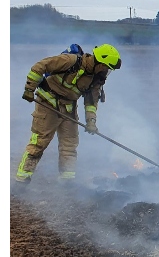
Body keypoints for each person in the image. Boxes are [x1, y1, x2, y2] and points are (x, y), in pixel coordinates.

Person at [13, 43, 121, 190]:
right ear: (99, 63)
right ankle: (21, 180)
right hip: (48, 103)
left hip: (68, 108)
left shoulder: (96, 79)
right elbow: (40, 66)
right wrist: (29, 88)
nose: (106, 71)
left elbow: (91, 102)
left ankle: (67, 181)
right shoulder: (70, 61)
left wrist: (91, 121)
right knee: (39, 143)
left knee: (70, 144)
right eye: (106, 67)